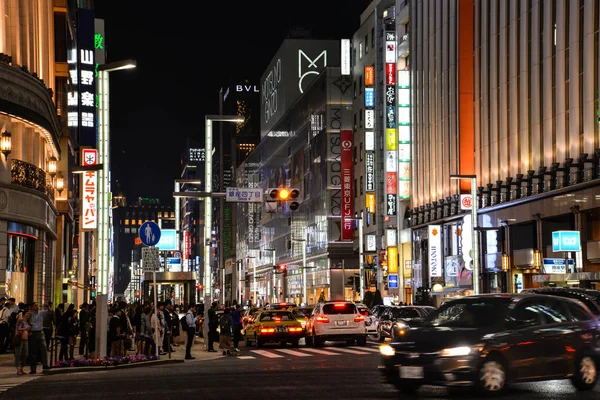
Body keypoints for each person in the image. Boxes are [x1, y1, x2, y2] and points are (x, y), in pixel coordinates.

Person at [27, 302, 51, 373]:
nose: (36, 307)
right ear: (31, 307)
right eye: (34, 306)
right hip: (33, 333)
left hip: (40, 332)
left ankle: (45, 364)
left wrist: (48, 306)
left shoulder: (41, 313)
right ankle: (33, 368)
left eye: (37, 305)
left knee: (43, 349)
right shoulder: (30, 314)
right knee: (33, 351)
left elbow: (49, 312)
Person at [14, 309, 31, 375]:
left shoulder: (27, 322)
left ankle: (22, 368)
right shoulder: (20, 321)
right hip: (20, 339)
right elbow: (18, 329)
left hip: (25, 339)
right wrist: (26, 329)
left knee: (25, 354)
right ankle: (18, 368)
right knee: (18, 354)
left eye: (29, 314)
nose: (28, 315)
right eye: (27, 313)